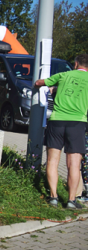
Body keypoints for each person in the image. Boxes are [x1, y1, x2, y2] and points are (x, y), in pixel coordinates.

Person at [34, 54, 88, 210]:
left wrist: (50, 87)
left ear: (76, 64)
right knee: (74, 165)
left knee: (52, 161)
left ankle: (53, 197)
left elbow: (39, 82)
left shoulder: (63, 75)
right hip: (78, 124)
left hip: (56, 122)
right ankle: (71, 200)